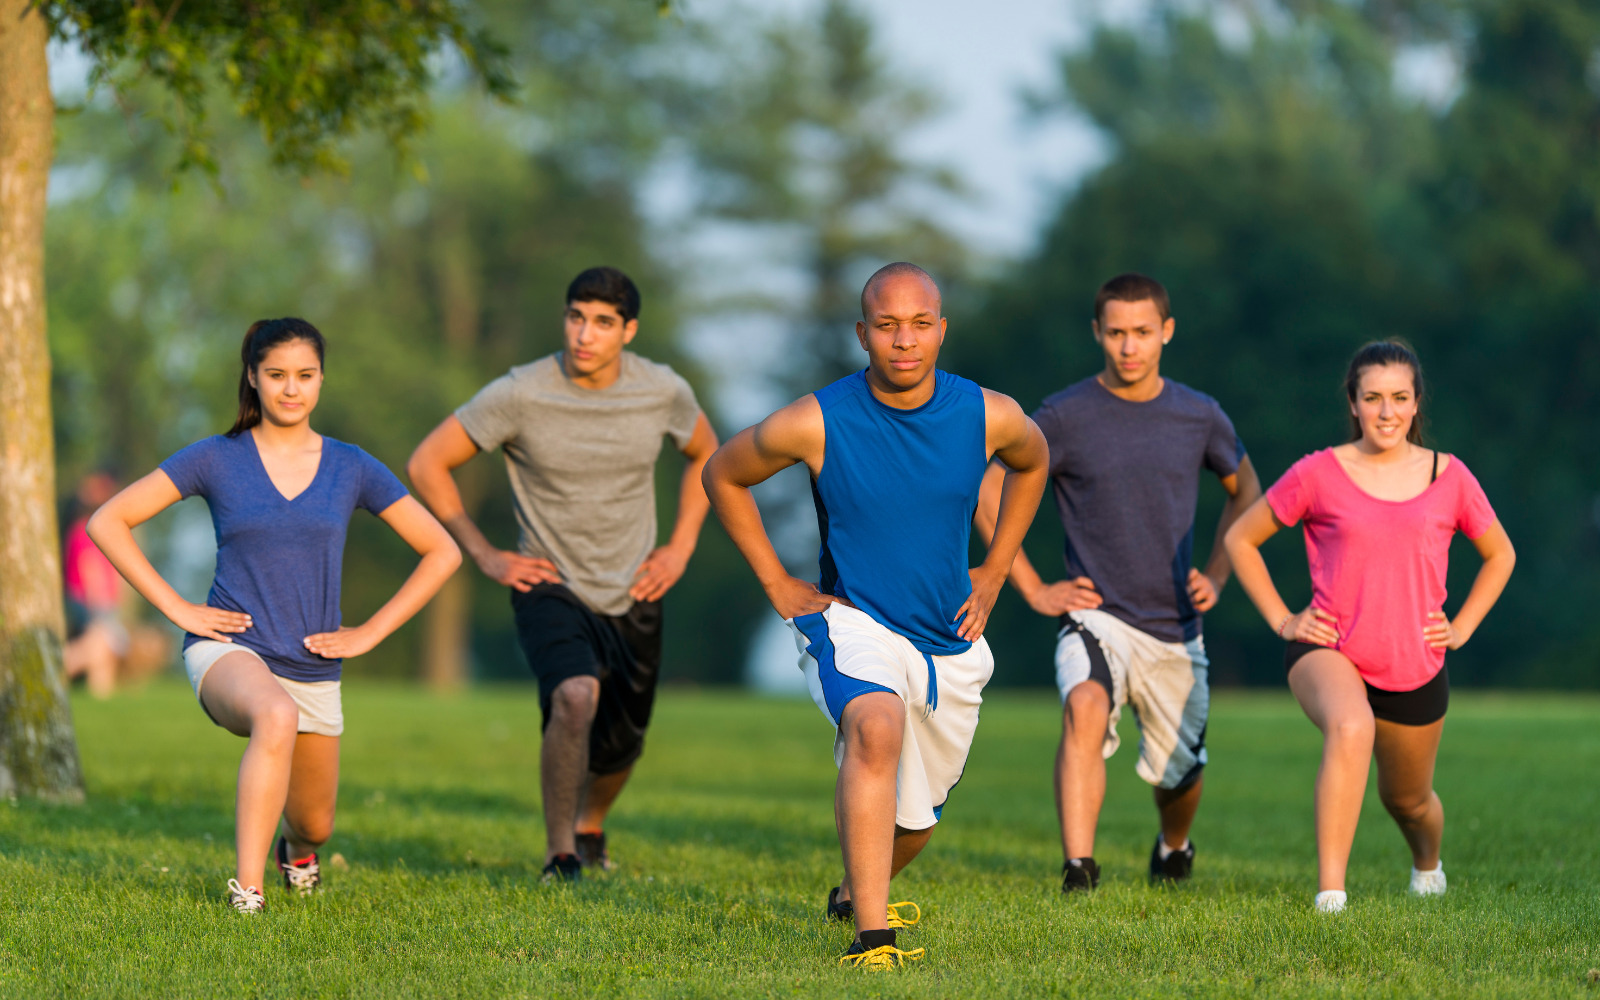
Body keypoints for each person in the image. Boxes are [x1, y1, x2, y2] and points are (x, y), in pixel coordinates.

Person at [703, 262, 1048, 969]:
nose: (904, 341)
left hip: (950, 642)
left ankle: (853, 891)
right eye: (886, 326)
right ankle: (873, 939)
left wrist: (997, 566)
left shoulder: (989, 414)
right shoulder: (815, 418)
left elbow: (1033, 463)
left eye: (920, 324)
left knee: (914, 825)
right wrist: (774, 579)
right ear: (862, 334)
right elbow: (722, 473)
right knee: (874, 727)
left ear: (941, 331)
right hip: (854, 623)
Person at [88, 318, 461, 913]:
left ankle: (297, 851)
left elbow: (442, 551)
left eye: (305, 376)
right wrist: (177, 607)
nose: (292, 389)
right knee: (274, 713)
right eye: (278, 375)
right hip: (229, 650)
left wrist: (369, 632)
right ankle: (248, 890)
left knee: (315, 821)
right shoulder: (214, 458)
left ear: (321, 381)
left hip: (313, 663)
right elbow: (107, 520)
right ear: (253, 379)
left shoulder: (352, 467)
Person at [407, 266, 717, 882]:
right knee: (575, 697)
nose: (585, 334)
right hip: (548, 581)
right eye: (576, 316)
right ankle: (560, 853)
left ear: (628, 330)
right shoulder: (520, 392)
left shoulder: (663, 390)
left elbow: (708, 454)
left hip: (634, 584)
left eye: (603, 322)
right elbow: (427, 463)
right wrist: (484, 552)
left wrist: (679, 547)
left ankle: (590, 823)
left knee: (623, 743)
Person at [976, 272, 1260, 893]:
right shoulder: (1064, 415)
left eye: (1142, 333)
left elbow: (1248, 494)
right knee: (1083, 706)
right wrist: (1028, 585)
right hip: (1093, 614)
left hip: (1174, 627)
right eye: (1116, 334)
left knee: (1177, 775)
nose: (1129, 347)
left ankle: (1174, 844)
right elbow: (988, 486)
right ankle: (1079, 871)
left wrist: (1216, 572)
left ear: (1167, 332)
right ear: (1097, 334)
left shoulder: (1199, 415)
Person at [1224, 340, 1515, 913]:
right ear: (1353, 404)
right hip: (1327, 648)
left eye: (1400, 398)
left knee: (1408, 801)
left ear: (1416, 404)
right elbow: (1241, 538)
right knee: (1351, 726)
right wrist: (1285, 619)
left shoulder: (1450, 477)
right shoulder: (1317, 473)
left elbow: (1500, 554)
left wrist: (1462, 627)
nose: (1387, 411)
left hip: (1415, 664)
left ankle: (1428, 865)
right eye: (1373, 398)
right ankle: (1331, 898)